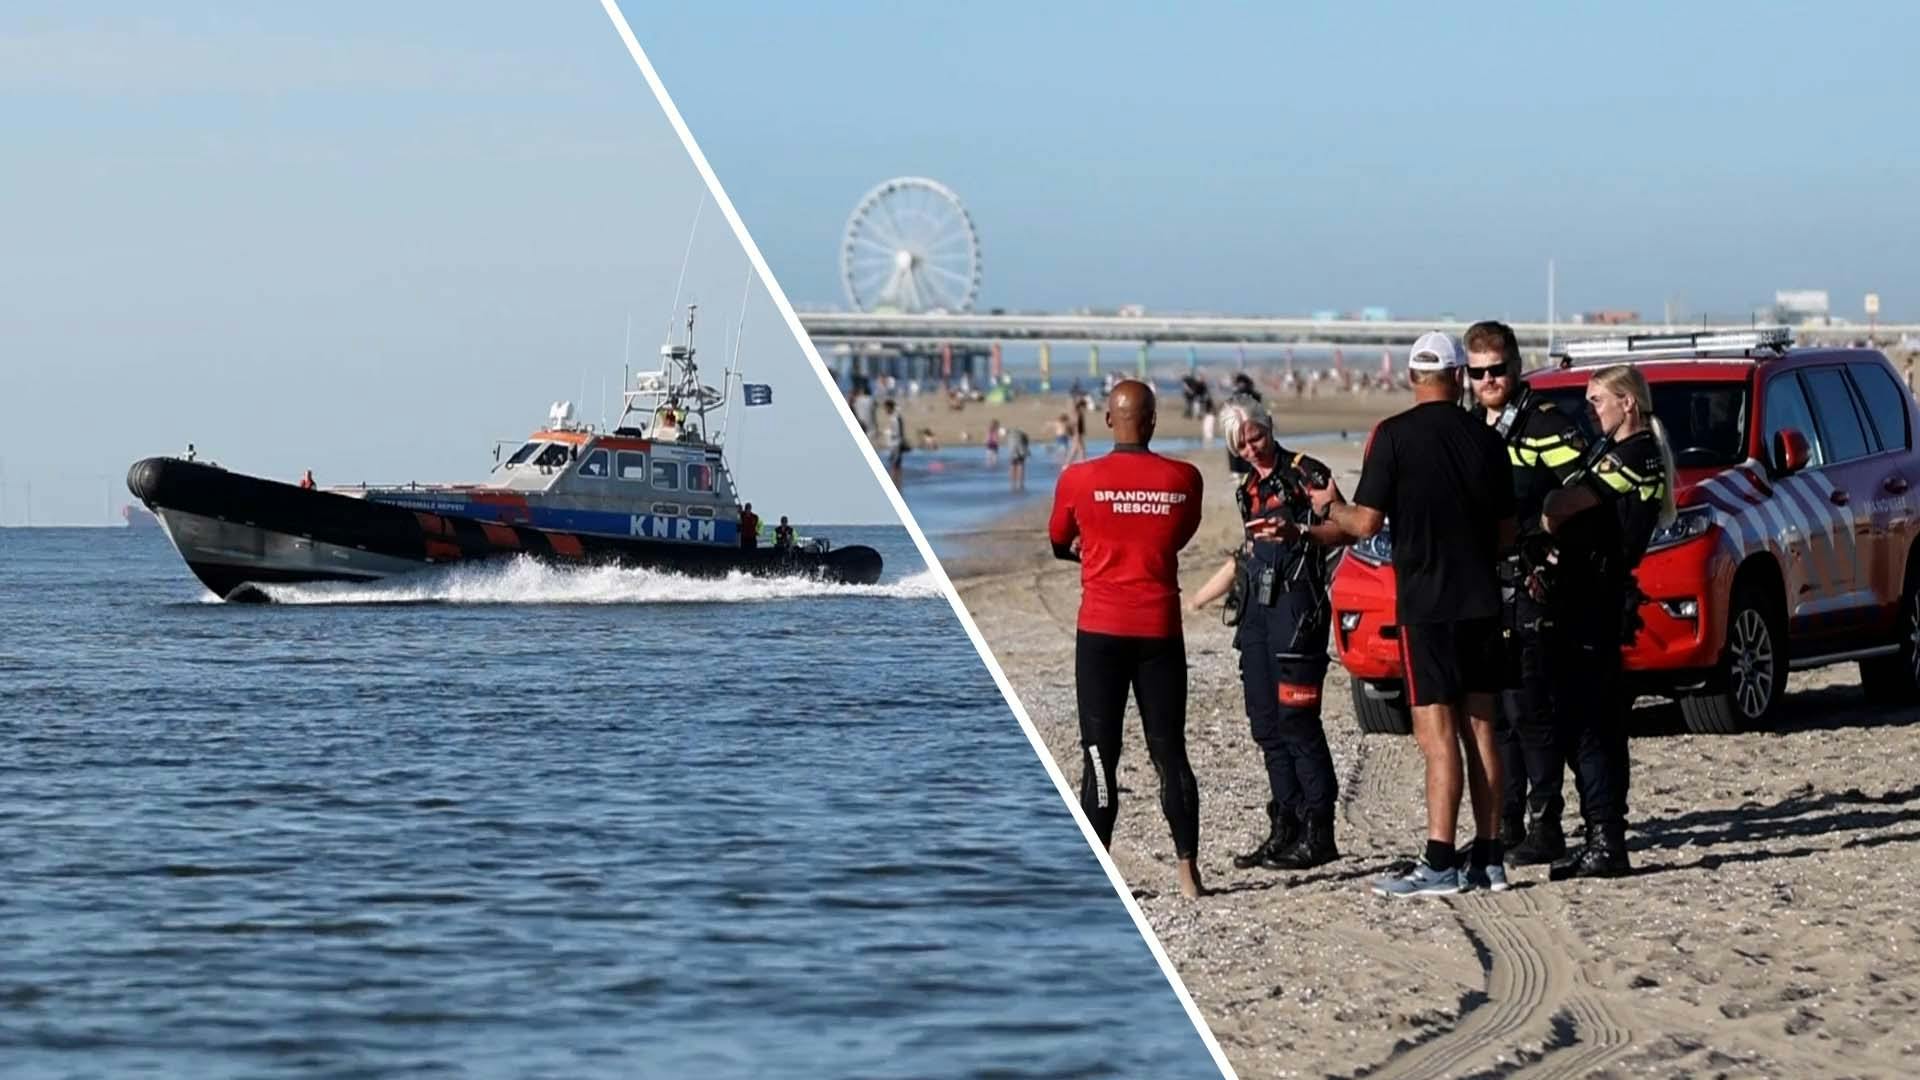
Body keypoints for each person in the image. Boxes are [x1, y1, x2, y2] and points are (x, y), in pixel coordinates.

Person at [1314, 331, 1516, 897]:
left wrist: (1331, 505)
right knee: (1482, 732)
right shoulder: (1487, 439)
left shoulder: (1394, 437)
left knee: (1437, 736)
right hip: (1480, 600)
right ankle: (1491, 858)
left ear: (1411, 378)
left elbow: (1366, 525)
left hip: (1427, 605)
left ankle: (1440, 860)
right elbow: (1506, 533)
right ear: (1458, 379)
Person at [1048, 379, 1206, 898]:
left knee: (1099, 755)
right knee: (1170, 753)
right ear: (1154, 421)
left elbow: (1057, 542)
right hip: (1160, 630)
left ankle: (1098, 877)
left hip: (1101, 632)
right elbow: (1176, 539)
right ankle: (1187, 874)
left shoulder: (1078, 478)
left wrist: (1093, 552)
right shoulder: (1185, 478)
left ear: (1108, 420)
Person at [1188, 396, 1343, 871]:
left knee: (1297, 722)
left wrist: (1300, 531)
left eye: (1255, 437)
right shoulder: (1248, 489)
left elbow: (1349, 527)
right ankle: (1287, 825)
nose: (1251, 448)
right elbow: (1247, 553)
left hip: (1298, 610)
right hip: (1258, 610)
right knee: (1266, 725)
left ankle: (1320, 832)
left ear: (1269, 427)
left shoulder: (1306, 473)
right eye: (1241, 444)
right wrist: (1201, 598)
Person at [1539, 363, 1675, 880]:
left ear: (1628, 403)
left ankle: (1606, 839)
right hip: (1581, 595)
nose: (1590, 409)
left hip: (1598, 599)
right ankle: (1597, 833)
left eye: (1598, 400)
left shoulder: (1636, 454)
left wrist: (1552, 506)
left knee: (1593, 724)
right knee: (1577, 722)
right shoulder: (1610, 450)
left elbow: (1568, 502)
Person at [1463, 321, 1589, 867]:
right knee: (1496, 712)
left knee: (1531, 708)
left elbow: (1586, 490)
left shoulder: (1546, 424)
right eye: (1478, 372)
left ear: (1516, 368)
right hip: (1483, 589)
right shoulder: (1468, 427)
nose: (1489, 380)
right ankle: (1506, 823)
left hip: (1533, 586)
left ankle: (1547, 824)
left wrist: (1545, 530)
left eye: (1498, 370)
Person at [882, 399, 907, 485]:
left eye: (885, 408)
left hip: (896, 444)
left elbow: (897, 432)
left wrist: (888, 433)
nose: (885, 410)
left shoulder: (894, 417)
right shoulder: (896, 416)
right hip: (896, 443)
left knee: (894, 464)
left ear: (889, 407)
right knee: (897, 464)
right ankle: (898, 482)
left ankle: (895, 482)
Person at [1008, 428, 1030, 492]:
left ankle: (1013, 483)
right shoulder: (1023, 436)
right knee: (1020, 466)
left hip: (1013, 452)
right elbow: (1026, 444)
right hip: (1021, 451)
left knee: (1013, 466)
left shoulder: (1011, 436)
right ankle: (1020, 484)